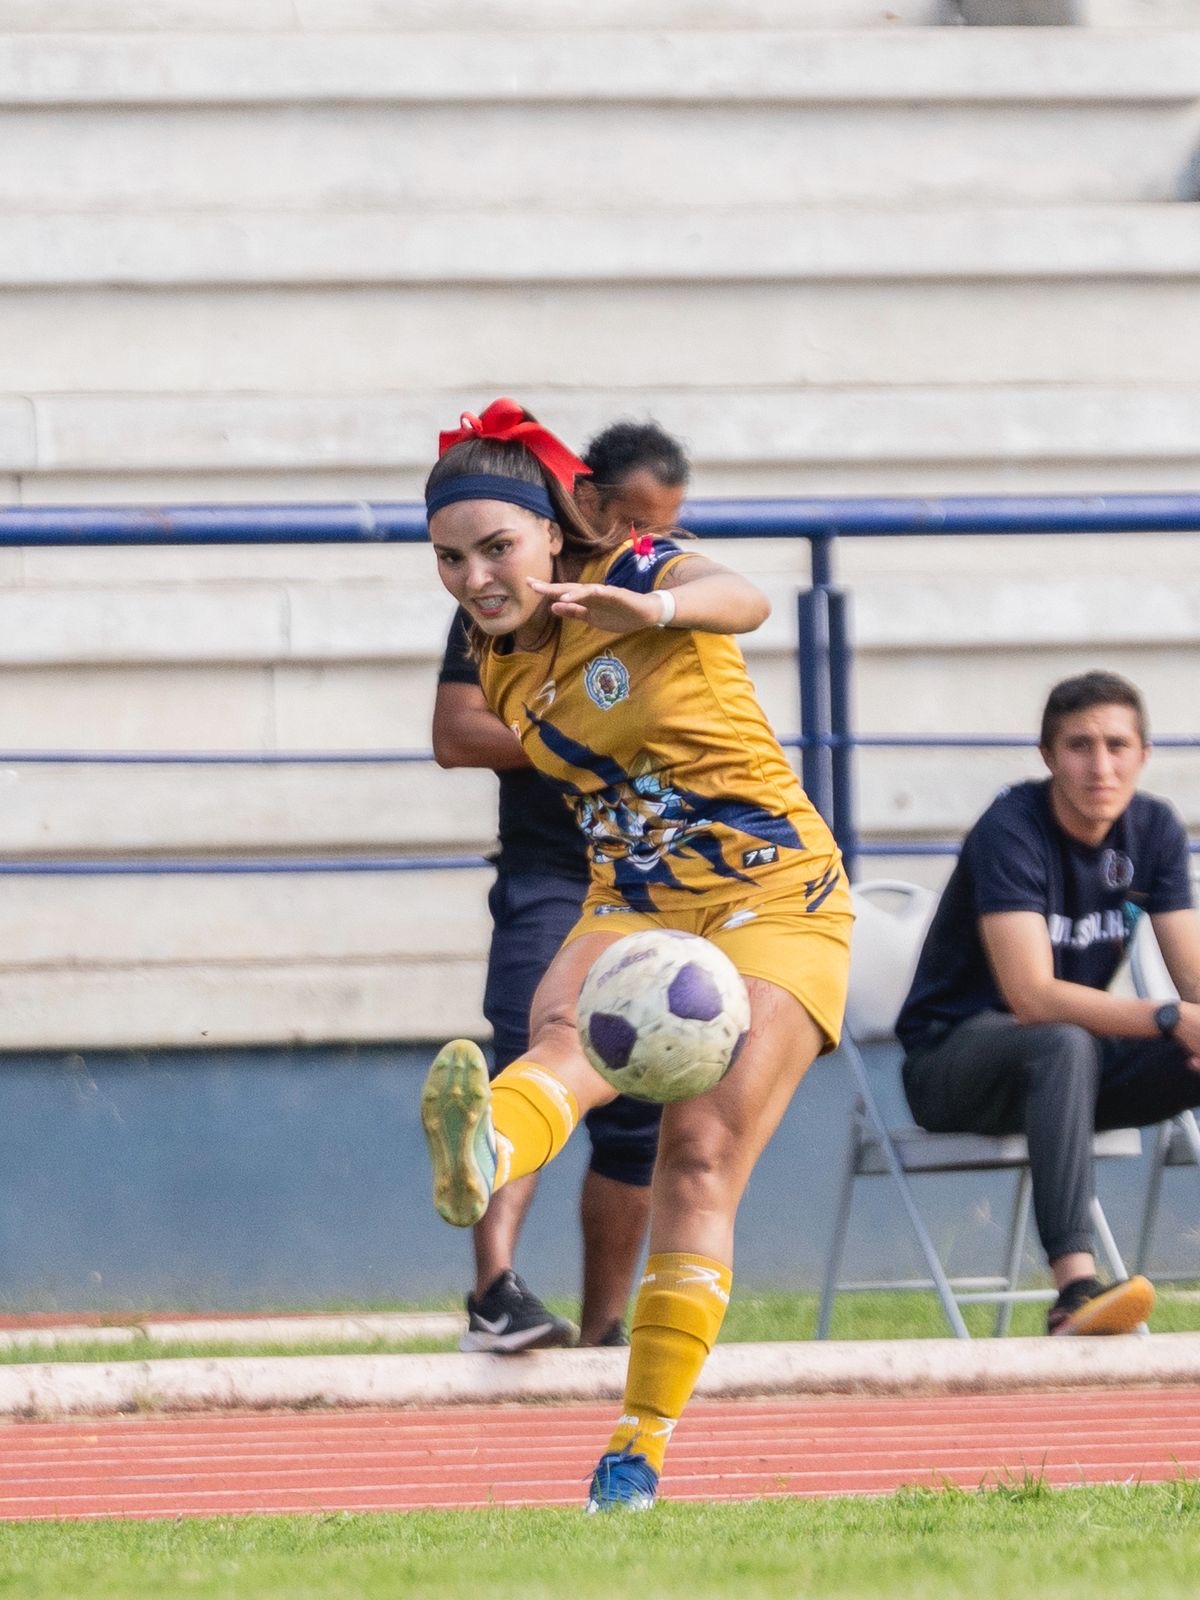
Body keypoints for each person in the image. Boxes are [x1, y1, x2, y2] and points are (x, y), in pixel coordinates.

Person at [419, 397, 852, 1510]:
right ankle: (484, 1157)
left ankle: (638, 1444)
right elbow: (457, 737)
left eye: (496, 547)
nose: (475, 576)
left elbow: (746, 597)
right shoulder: (491, 649)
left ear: (553, 532)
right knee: (559, 1036)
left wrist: (653, 609)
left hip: (775, 893)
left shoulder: (641, 564)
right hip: (636, 895)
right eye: (450, 557)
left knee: (697, 1159)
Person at [432, 420, 691, 1353]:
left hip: (654, 873)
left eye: (662, 525)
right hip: (554, 870)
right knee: (529, 1059)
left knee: (640, 1103)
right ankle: (494, 1290)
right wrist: (573, 730)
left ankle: (606, 1326)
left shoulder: (662, 585)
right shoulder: (502, 600)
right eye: (625, 519)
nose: (641, 540)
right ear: (575, 508)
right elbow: (456, 732)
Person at [896, 671, 1200, 1336]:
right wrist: (1171, 1019)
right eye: (1079, 746)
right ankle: (1074, 1292)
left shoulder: (1153, 831)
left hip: (1075, 1072)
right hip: (953, 1063)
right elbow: (1031, 997)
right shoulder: (1012, 827)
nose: (1101, 765)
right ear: (1047, 756)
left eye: (1117, 746)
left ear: (1144, 755)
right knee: (1062, 1039)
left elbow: (1194, 981)